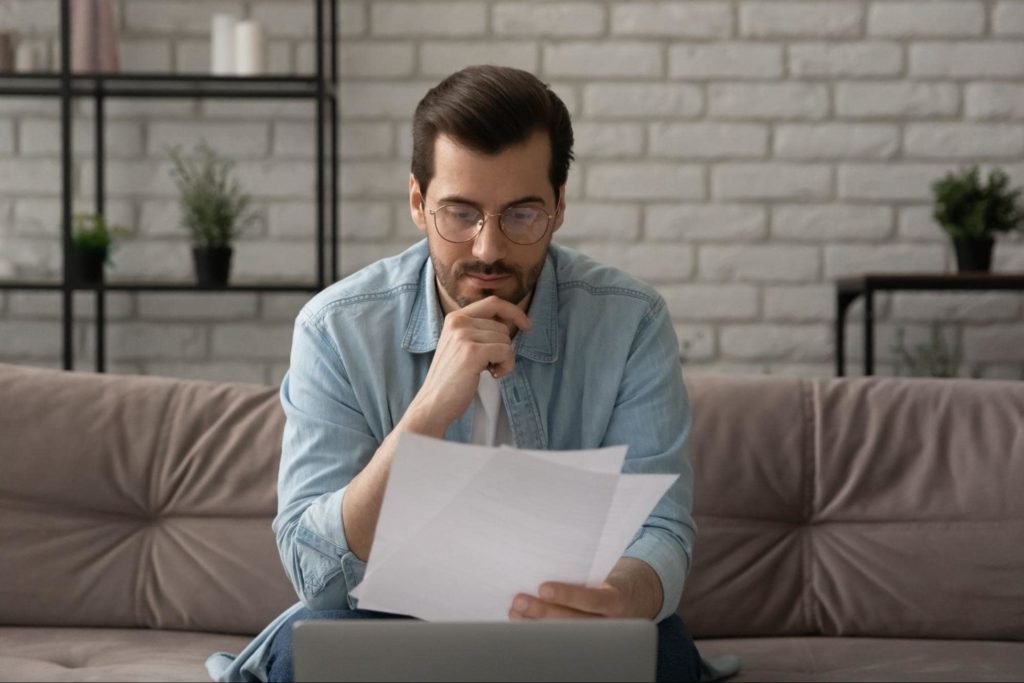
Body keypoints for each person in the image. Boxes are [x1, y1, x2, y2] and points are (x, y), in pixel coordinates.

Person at [208, 64, 706, 683]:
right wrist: (427, 415)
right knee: (303, 655)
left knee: (664, 654)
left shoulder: (630, 320)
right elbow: (318, 575)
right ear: (418, 202)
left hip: (563, 628)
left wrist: (618, 602)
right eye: (460, 213)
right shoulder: (335, 328)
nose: (487, 248)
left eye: (521, 214)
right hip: (388, 624)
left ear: (558, 206)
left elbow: (661, 528)